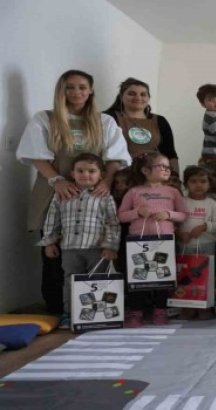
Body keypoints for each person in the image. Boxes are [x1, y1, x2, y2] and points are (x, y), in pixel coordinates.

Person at [17, 69, 130, 314]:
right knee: (54, 253)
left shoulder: (104, 122)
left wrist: (106, 182)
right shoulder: (44, 119)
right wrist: (57, 180)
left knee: (95, 250)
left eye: (82, 87)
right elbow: (36, 156)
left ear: (90, 91)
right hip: (54, 191)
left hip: (94, 195)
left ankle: (96, 311)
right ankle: (59, 310)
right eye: (70, 87)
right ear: (61, 91)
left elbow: (115, 157)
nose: (76, 92)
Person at [40, 153, 121, 328]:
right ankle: (70, 314)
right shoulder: (62, 194)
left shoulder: (104, 197)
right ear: (72, 173)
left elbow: (112, 223)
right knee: (70, 281)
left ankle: (99, 314)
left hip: (97, 250)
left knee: (98, 282)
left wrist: (110, 246)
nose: (86, 175)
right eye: (80, 171)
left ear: (101, 174)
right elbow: (52, 219)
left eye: (92, 171)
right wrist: (49, 242)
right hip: (70, 249)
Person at [118, 152, 188, 327]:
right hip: (138, 243)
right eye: (161, 166)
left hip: (165, 242)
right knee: (137, 277)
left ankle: (160, 309)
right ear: (145, 170)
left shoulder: (173, 192)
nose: (166, 169)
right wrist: (137, 213)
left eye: (168, 167)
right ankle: (136, 311)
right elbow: (120, 216)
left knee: (162, 277)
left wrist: (168, 214)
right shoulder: (134, 192)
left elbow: (184, 214)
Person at [177, 166, 216, 320]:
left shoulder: (213, 204)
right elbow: (174, 222)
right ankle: (187, 306)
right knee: (185, 277)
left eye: (203, 181)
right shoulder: (181, 202)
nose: (198, 185)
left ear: (209, 184)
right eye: (193, 181)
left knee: (206, 277)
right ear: (185, 184)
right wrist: (179, 233)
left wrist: (205, 226)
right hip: (185, 247)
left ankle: (206, 306)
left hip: (207, 246)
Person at [104, 77, 179, 171]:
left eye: (143, 94)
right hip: (122, 174)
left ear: (148, 98)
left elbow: (170, 153)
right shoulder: (109, 118)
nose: (138, 97)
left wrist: (175, 177)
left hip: (155, 174)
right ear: (121, 96)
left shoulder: (160, 120)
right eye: (132, 94)